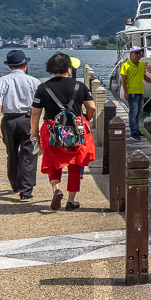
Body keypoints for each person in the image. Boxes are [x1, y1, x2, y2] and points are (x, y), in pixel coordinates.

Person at [30, 52, 96, 211]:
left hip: (52, 129)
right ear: (68, 68)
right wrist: (86, 118)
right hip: (76, 131)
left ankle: (56, 189)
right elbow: (92, 107)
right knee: (75, 164)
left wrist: (34, 132)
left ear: (51, 69)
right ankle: (71, 200)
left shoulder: (43, 88)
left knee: (53, 162)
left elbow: (35, 112)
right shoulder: (79, 86)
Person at [0, 49, 39, 200]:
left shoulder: (0, 82)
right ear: (25, 65)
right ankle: (26, 191)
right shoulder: (34, 81)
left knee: (12, 153)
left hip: (8, 121)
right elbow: (38, 105)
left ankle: (15, 185)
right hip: (28, 120)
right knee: (30, 153)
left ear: (9, 66)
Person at [119, 46, 151, 139]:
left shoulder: (142, 65)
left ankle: (137, 130)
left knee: (139, 112)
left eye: (139, 53)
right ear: (131, 54)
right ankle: (134, 131)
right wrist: (126, 92)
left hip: (140, 92)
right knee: (133, 112)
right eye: (136, 53)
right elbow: (123, 80)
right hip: (131, 92)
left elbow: (144, 77)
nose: (138, 55)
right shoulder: (125, 65)